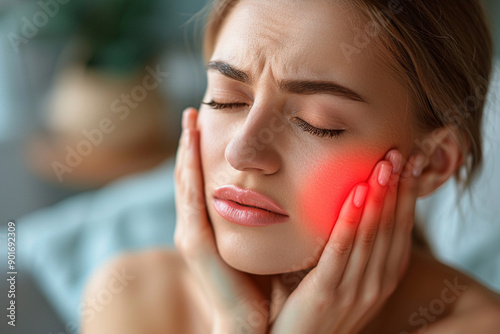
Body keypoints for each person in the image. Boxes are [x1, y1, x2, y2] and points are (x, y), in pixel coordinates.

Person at [81, 0, 500, 333]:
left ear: (430, 164)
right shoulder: (130, 296)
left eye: (317, 123)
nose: (242, 151)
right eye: (226, 99)